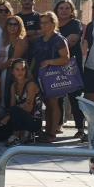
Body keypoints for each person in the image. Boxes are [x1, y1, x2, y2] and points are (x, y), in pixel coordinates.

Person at [32, 11, 70, 142]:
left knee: (53, 104)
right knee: (46, 104)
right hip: (40, 76)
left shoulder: (59, 39)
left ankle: (52, 133)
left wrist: (49, 62)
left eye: (45, 23)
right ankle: (46, 131)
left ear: (53, 23)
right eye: (41, 23)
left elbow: (66, 59)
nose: (42, 25)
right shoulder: (39, 40)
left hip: (54, 77)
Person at [54, 0, 86, 141]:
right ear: (56, 10)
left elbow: (71, 41)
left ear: (72, 11)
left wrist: (51, 45)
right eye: (61, 8)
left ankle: (80, 129)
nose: (64, 10)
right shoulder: (53, 23)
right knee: (57, 97)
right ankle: (58, 125)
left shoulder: (75, 24)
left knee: (75, 98)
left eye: (67, 8)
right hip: (55, 65)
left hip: (72, 66)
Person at [0, 59, 41, 147]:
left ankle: (18, 135)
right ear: (12, 71)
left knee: (14, 110)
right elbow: (12, 105)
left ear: (26, 71)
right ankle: (18, 134)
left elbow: (29, 107)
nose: (20, 72)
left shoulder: (30, 84)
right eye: (17, 69)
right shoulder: (13, 85)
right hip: (18, 116)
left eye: (22, 69)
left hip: (33, 119)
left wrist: (9, 116)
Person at [0, 1, 14, 67]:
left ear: (10, 12)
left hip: (9, 61)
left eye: (6, 10)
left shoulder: (14, 26)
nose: (3, 13)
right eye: (1, 10)